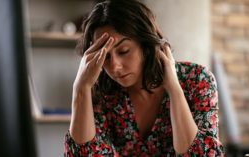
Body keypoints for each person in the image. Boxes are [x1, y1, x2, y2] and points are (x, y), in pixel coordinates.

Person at [64, 0, 224, 156]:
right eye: (105, 57)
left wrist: (174, 90)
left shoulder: (198, 81)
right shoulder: (100, 91)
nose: (114, 67)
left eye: (124, 51)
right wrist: (80, 88)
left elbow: (202, 154)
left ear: (147, 44)